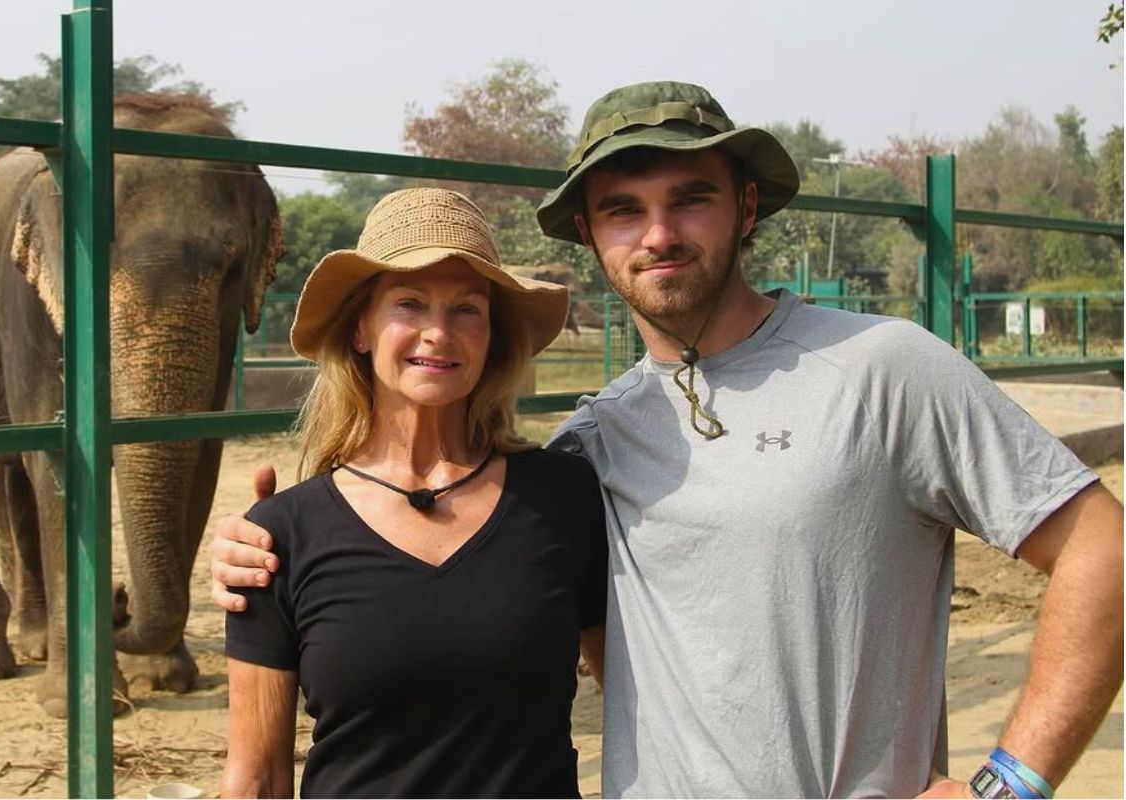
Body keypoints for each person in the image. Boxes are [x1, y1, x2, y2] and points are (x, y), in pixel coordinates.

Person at [211, 83, 1123, 798]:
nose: (659, 234)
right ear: (589, 236)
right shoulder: (585, 455)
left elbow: (1103, 550)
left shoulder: (882, 369)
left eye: (691, 198)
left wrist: (1012, 783)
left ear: (747, 206)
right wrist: (266, 551)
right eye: (622, 210)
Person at [219, 187, 608, 799]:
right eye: (409, 303)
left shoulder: (566, 498)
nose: (438, 333)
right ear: (360, 330)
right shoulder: (279, 536)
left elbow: (636, 700)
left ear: (493, 335)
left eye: (466, 309)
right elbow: (256, 780)